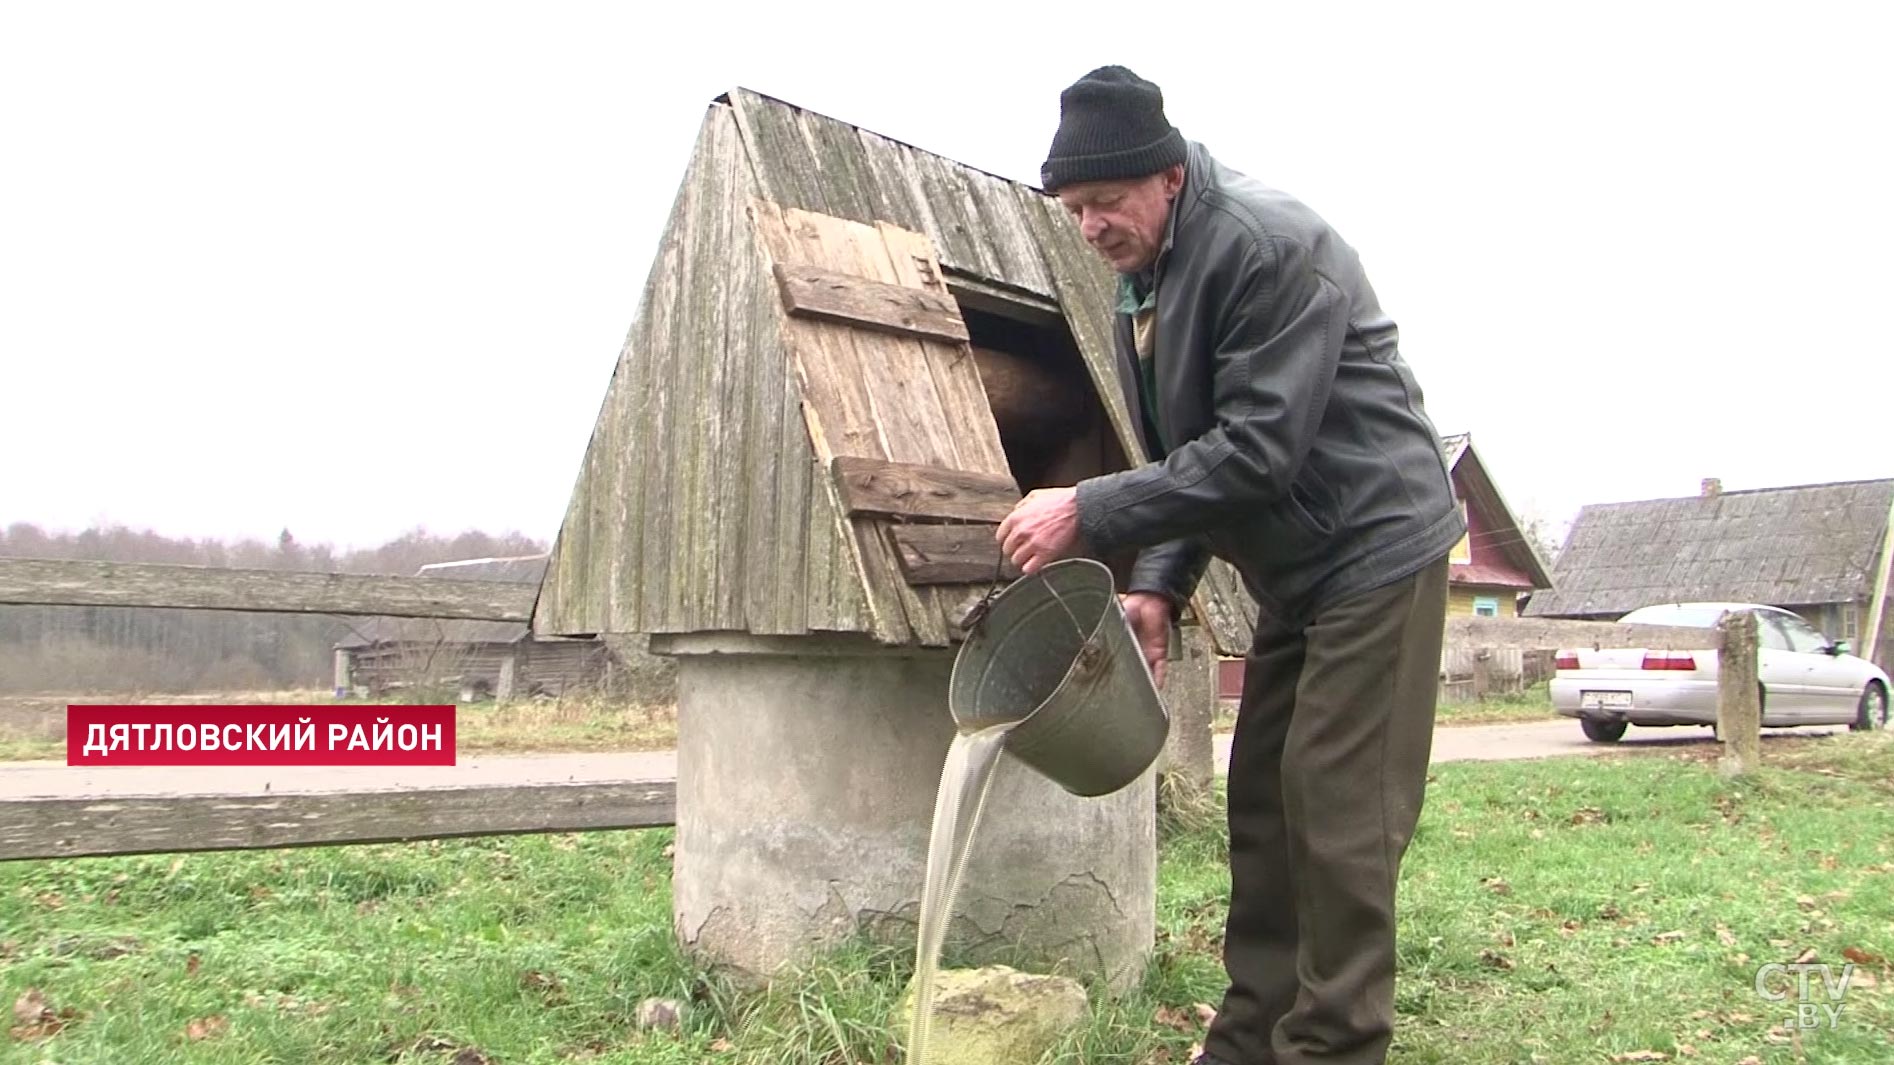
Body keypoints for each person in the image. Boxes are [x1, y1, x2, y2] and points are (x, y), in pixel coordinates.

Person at [995, 65, 1466, 1065]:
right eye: (1074, 209)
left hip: (1374, 547)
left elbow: (1257, 450)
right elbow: (1189, 453)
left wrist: (1087, 509)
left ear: (1165, 176)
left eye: (1104, 201)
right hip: (1299, 566)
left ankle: (1333, 1044)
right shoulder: (1146, 280)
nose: (1090, 227)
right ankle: (1249, 1037)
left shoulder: (1263, 247)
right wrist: (1158, 582)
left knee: (1336, 813)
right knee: (1261, 808)